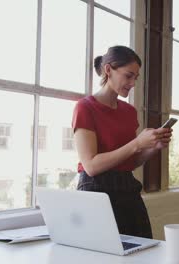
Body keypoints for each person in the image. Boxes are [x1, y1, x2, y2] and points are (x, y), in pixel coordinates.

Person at [72, 46, 172, 239]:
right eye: (128, 76)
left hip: (127, 188)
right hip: (95, 191)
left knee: (142, 252)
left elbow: (130, 162)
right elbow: (91, 166)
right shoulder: (85, 107)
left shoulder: (129, 112)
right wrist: (137, 143)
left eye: (136, 77)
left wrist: (152, 148)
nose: (133, 83)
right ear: (108, 70)